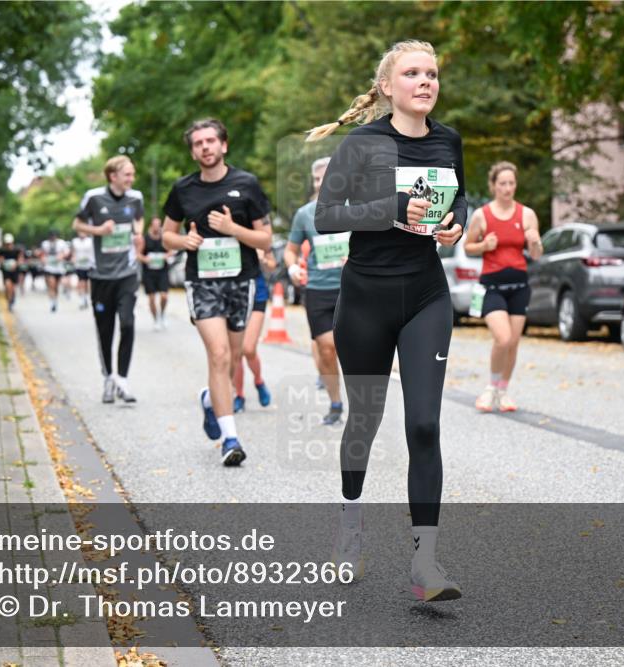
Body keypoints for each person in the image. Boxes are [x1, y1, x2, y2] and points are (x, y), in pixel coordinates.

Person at [307, 40, 466, 601]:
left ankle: (426, 562)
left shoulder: (448, 140)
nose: (426, 81)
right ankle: (350, 527)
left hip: (426, 294)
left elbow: (458, 203)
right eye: (413, 73)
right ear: (387, 87)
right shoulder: (363, 144)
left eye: (432, 73)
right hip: (366, 296)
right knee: (365, 421)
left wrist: (455, 228)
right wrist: (391, 212)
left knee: (424, 425)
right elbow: (327, 216)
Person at [162, 118, 272, 466]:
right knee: (220, 354)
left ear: (223, 145)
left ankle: (211, 399)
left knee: (233, 357)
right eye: (198, 143)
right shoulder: (183, 189)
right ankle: (231, 439)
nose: (205, 147)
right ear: (193, 150)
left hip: (241, 280)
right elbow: (166, 235)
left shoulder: (247, 184)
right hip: (203, 282)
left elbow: (265, 239)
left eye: (211, 141)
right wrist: (184, 240)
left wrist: (231, 228)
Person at [463, 161, 543, 412]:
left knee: (514, 343)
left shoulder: (527, 214)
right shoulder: (482, 215)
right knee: (503, 338)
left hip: (519, 285)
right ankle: (490, 388)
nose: (508, 188)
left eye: (511, 183)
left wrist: (536, 242)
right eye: (503, 184)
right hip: (492, 287)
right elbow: (467, 246)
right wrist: (484, 246)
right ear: (494, 186)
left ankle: (503, 390)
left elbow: (537, 255)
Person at [72, 155, 145, 404]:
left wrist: (138, 234)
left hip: (126, 273)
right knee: (105, 330)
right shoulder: (93, 197)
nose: (131, 179)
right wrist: (99, 231)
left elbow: (139, 220)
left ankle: (123, 379)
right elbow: (77, 224)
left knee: (127, 323)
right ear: (113, 176)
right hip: (100, 275)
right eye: (127, 174)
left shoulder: (136, 198)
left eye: (132, 174)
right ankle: (108, 377)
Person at [285, 157, 345, 425]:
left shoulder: (357, 209)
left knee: (357, 350)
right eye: (318, 179)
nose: (322, 183)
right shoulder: (305, 214)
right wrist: (292, 269)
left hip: (353, 289)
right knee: (327, 348)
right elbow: (290, 250)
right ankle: (335, 403)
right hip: (318, 289)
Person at [232, 248, 275, 412]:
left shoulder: (257, 230)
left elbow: (272, 264)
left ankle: (258, 381)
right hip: (233, 293)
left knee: (248, 349)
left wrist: (263, 259)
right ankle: (240, 395)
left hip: (257, 293)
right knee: (235, 351)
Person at [136, 217, 173, 330]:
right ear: (151, 226)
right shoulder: (145, 239)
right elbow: (138, 255)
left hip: (162, 271)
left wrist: (166, 256)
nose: (157, 227)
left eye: (159, 224)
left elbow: (171, 251)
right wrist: (145, 259)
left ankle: (162, 313)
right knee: (151, 298)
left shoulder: (164, 238)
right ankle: (155, 318)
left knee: (164, 296)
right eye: (155, 224)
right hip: (149, 272)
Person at [41, 230, 71, 312]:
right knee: (51, 284)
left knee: (56, 287)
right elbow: (42, 254)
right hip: (49, 267)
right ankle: (52, 302)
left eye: (54, 236)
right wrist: (43, 259)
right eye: (51, 236)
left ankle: (55, 300)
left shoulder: (61, 243)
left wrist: (62, 255)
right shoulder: (45, 244)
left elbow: (67, 252)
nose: (52, 238)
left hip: (59, 268)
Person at [0, 233, 25, 311]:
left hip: (14, 271)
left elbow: (20, 259)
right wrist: (2, 262)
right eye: (7, 244)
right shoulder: (2, 251)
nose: (8, 245)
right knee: (7, 285)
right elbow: (0, 259)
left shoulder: (17, 250)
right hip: (6, 272)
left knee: (12, 288)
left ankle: (12, 298)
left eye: (9, 243)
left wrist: (16, 264)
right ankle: (9, 301)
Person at [72, 230, 96, 309]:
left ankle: (87, 297)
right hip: (79, 265)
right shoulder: (75, 241)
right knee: (81, 282)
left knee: (89, 283)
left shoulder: (90, 241)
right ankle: (82, 299)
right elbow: (73, 252)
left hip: (89, 265)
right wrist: (73, 259)